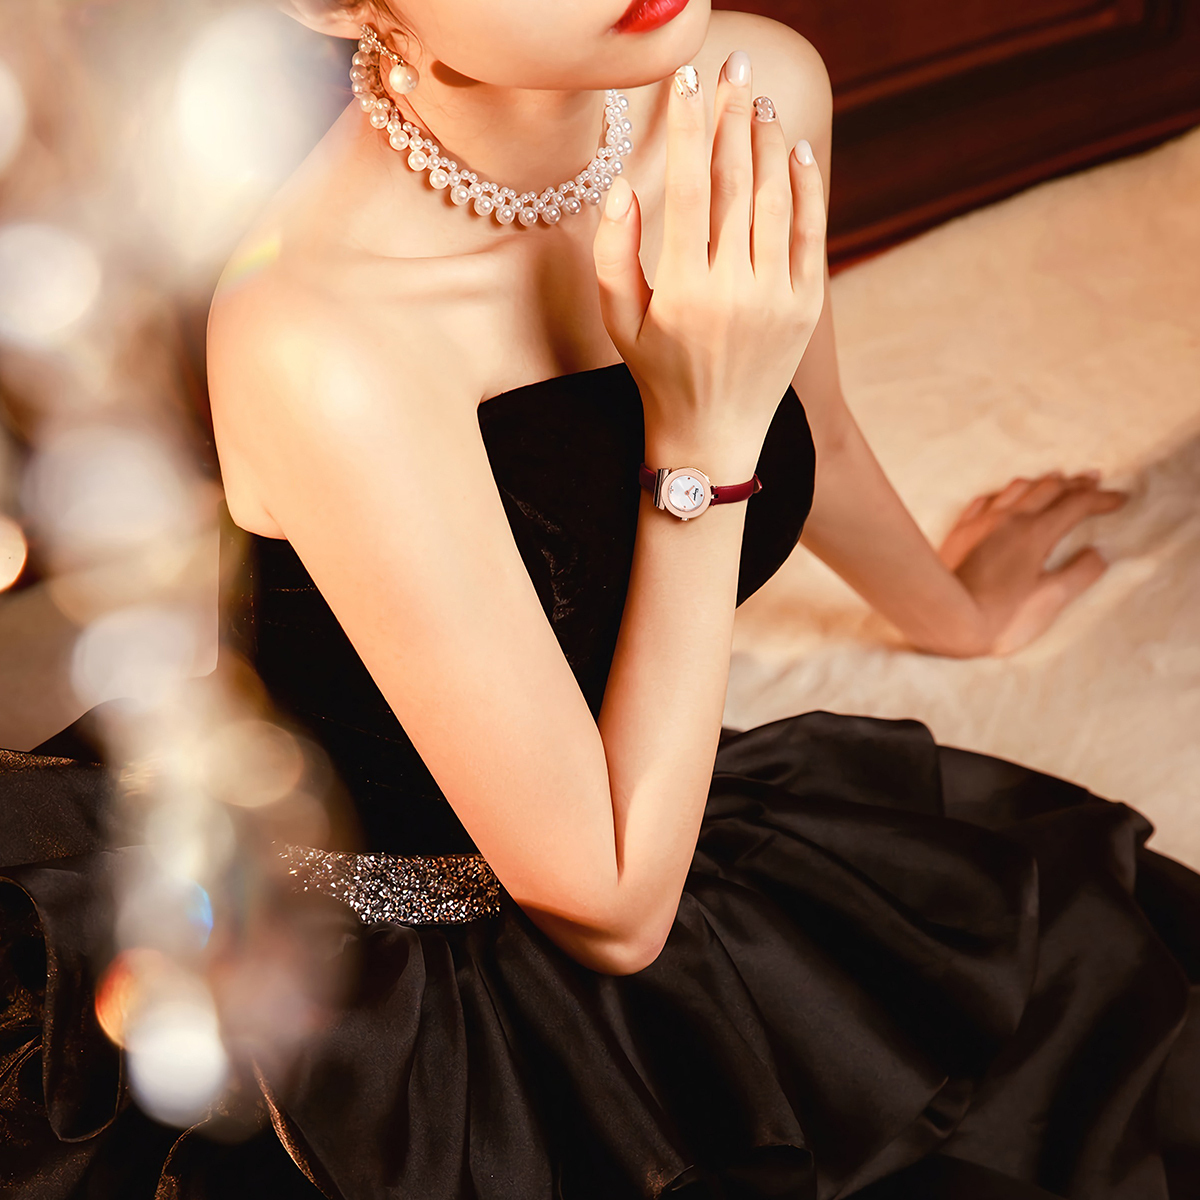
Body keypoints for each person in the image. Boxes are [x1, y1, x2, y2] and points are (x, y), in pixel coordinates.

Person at [2, 1, 1197, 1197]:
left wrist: (955, 613)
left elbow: (808, 420)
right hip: (376, 992)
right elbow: (612, 909)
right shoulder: (315, 332)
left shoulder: (751, 86)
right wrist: (702, 443)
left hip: (645, 799)